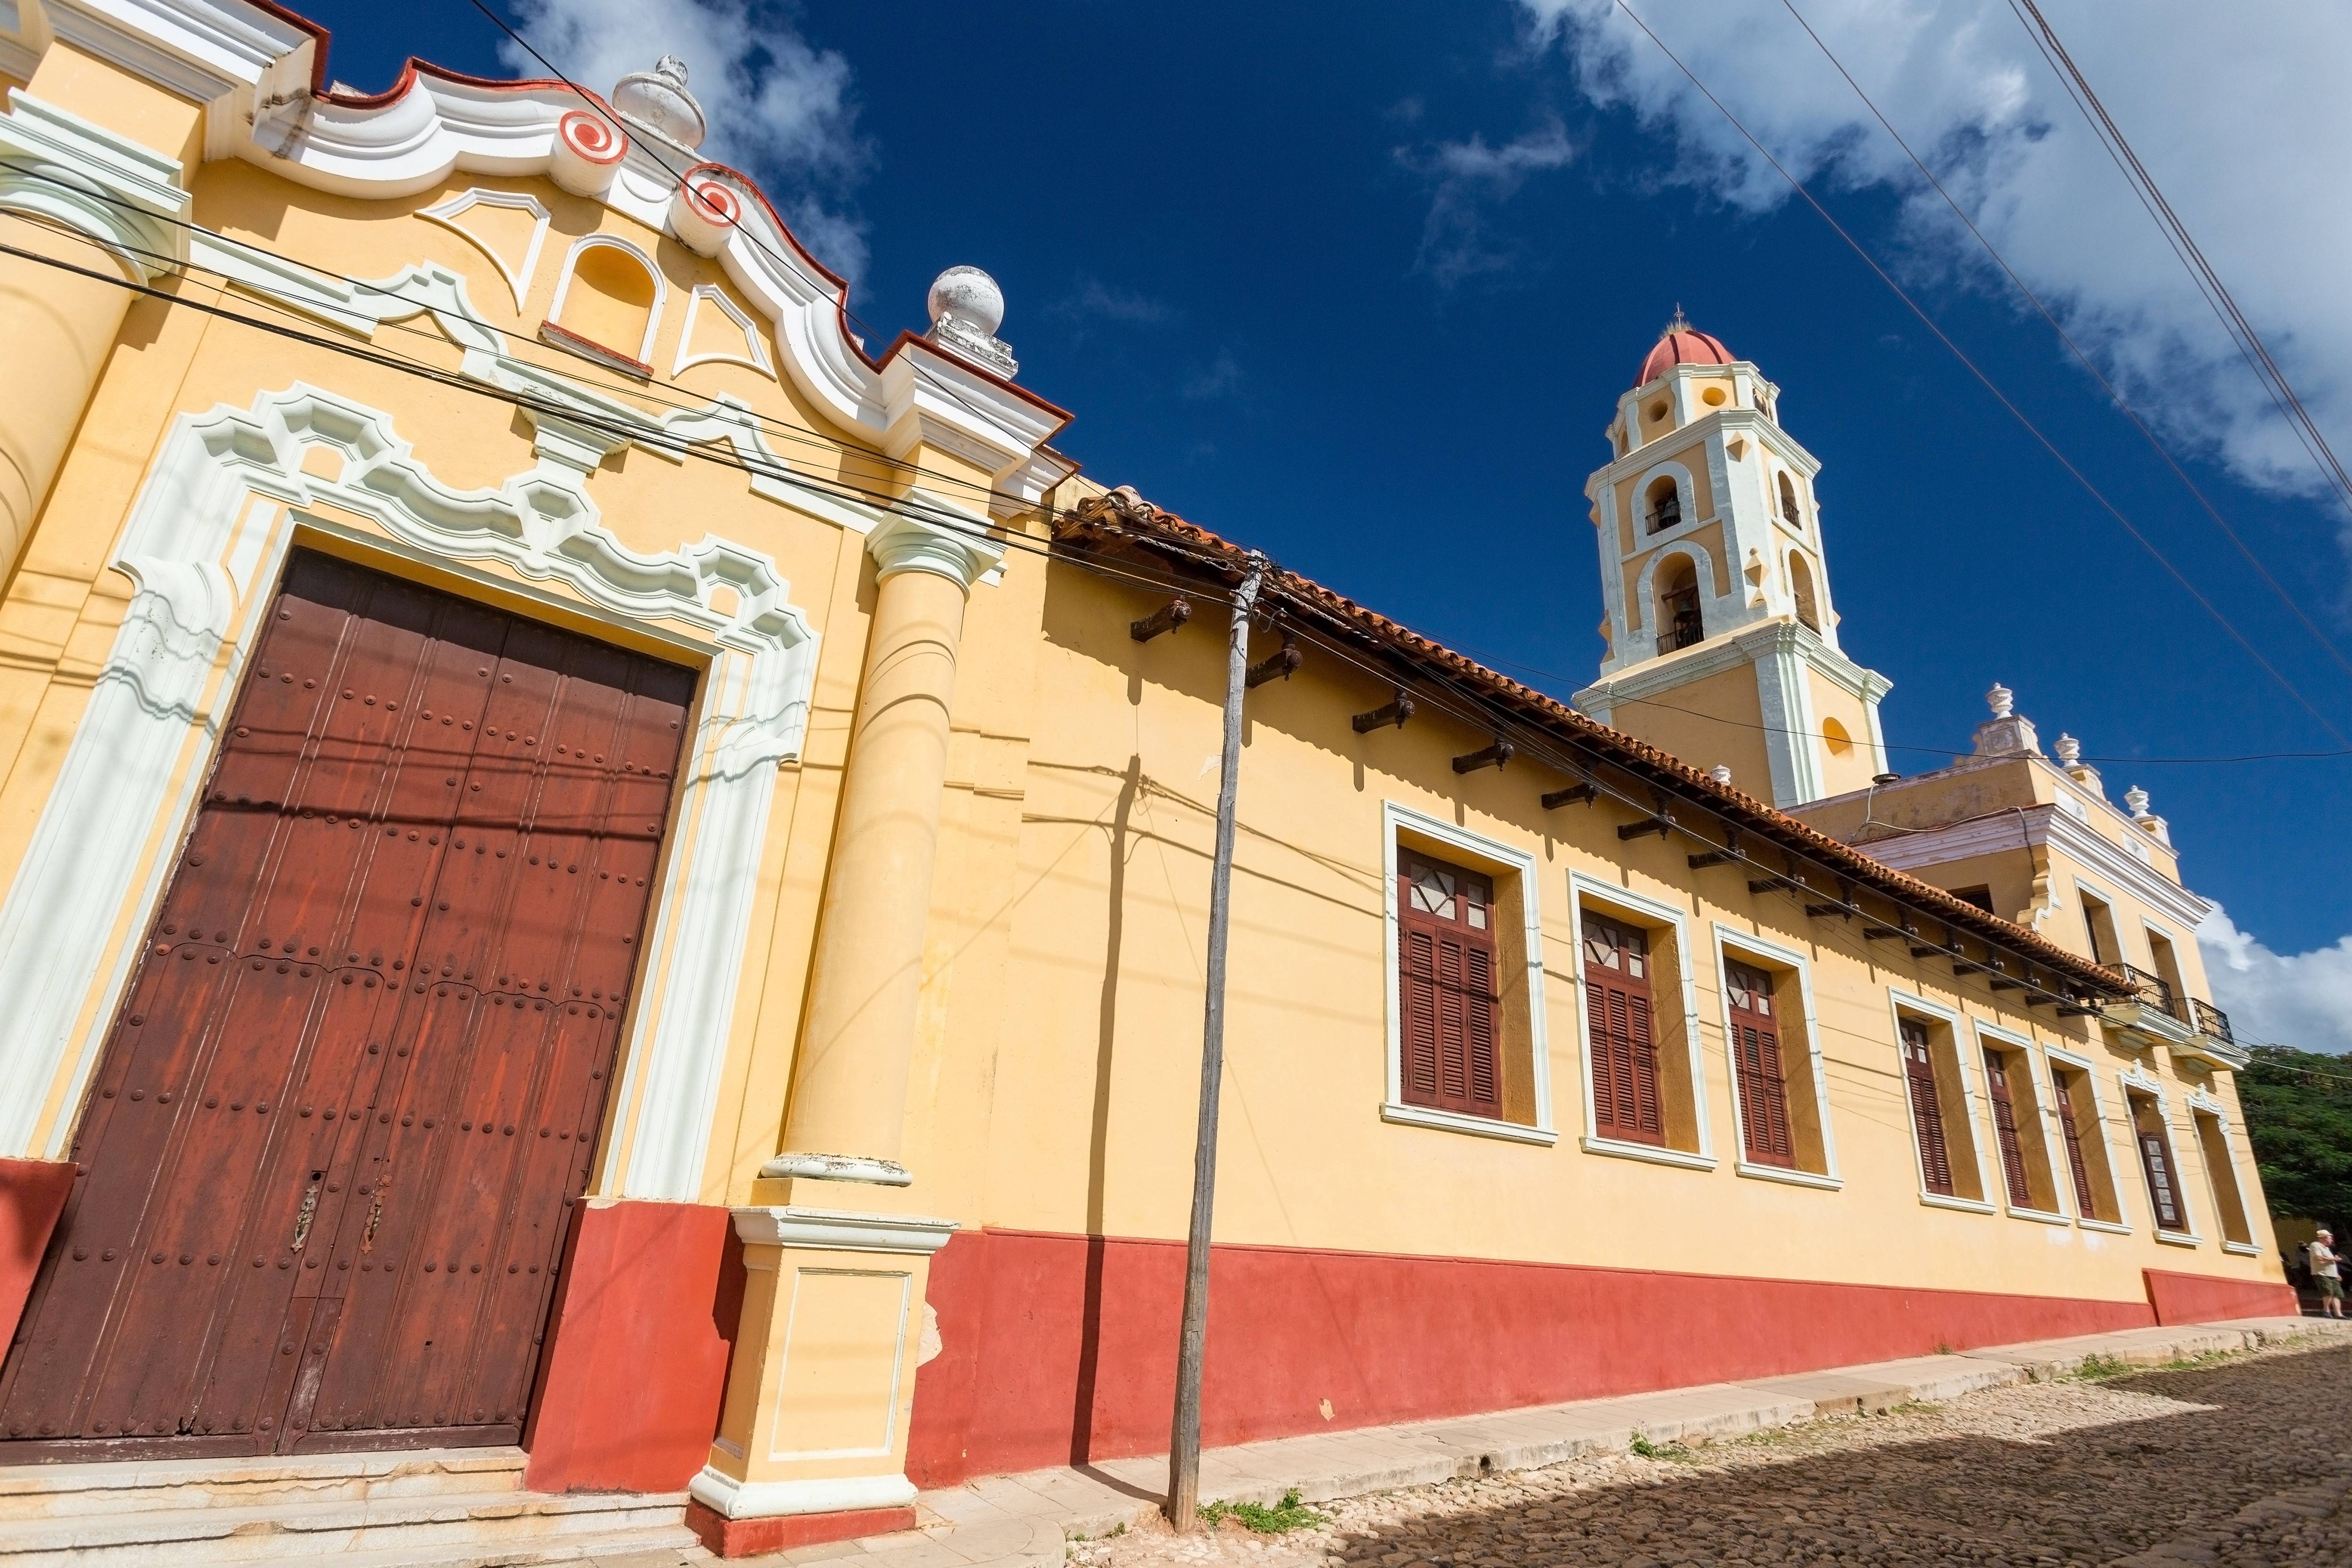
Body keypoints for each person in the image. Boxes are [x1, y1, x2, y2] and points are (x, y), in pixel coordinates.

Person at [2310, 1229, 2344, 1319]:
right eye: (2330, 1238)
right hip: (2322, 1274)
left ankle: (2339, 1314)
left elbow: (2330, 1263)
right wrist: (2334, 1259)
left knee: (2336, 1294)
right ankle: (2326, 1311)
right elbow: (2319, 1258)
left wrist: (2337, 1274)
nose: (2332, 1240)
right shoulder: (2315, 1245)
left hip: (2332, 1275)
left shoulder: (2327, 1249)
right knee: (2328, 1292)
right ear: (2323, 1239)